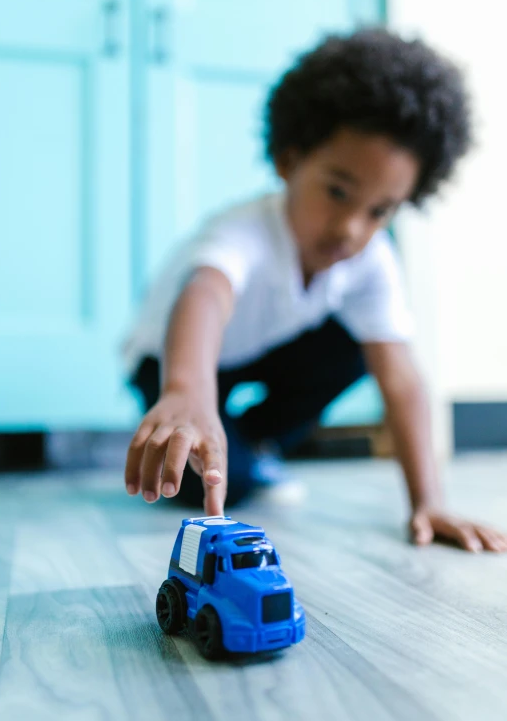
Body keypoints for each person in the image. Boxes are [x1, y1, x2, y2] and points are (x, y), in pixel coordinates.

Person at [123, 28, 507, 553]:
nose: (351, 227)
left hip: (264, 349)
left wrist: (428, 501)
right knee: (204, 481)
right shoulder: (244, 232)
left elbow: (401, 379)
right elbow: (205, 295)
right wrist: (186, 392)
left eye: (379, 210)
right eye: (337, 192)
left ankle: (253, 442)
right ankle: (219, 433)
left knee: (363, 345)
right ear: (289, 160)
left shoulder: (371, 260)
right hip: (174, 357)